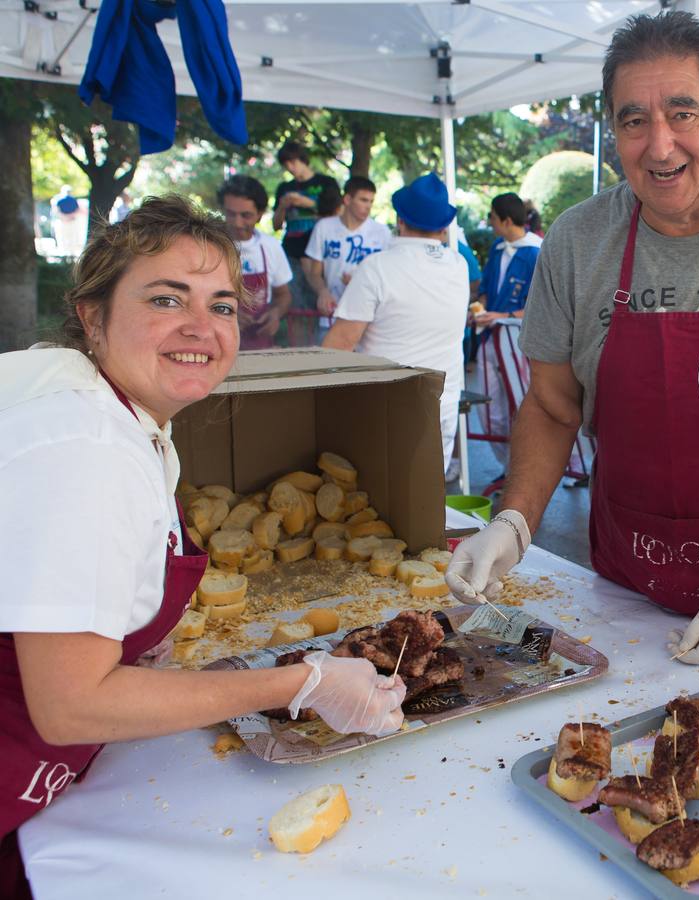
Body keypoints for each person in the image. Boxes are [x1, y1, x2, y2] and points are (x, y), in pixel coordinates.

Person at [0, 196, 407, 898]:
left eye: (222, 306)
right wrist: (304, 681)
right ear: (92, 316)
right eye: (166, 298)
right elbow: (69, 705)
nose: (201, 327)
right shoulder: (84, 446)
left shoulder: (120, 416)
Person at [445, 11, 699, 664]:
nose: (659, 144)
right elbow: (555, 406)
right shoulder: (577, 241)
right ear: (612, 132)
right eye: (633, 120)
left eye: (682, 113)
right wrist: (512, 522)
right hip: (620, 572)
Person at [322, 174, 469, 475]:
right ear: (443, 227)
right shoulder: (459, 265)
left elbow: (340, 344)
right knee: (428, 498)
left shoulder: (376, 267)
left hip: (387, 404)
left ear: (400, 219)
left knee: (381, 502)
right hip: (442, 399)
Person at [474, 192, 543, 472]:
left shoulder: (536, 251)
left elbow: (543, 305)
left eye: (492, 217)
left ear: (505, 220)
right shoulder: (497, 248)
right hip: (490, 338)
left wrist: (503, 316)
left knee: (524, 403)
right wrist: (479, 309)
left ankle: (529, 466)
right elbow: (486, 291)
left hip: (519, 343)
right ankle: (509, 465)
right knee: (490, 408)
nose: (490, 223)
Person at [304, 175, 392, 340]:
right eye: (363, 200)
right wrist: (322, 291)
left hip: (370, 321)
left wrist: (361, 282)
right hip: (332, 315)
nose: (368, 207)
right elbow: (314, 273)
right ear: (347, 199)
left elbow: (389, 276)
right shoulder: (324, 227)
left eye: (371, 202)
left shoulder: (382, 233)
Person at [272, 141, 341, 345]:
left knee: (322, 304)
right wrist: (283, 206)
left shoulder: (326, 183)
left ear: (302, 159)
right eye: (286, 164)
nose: (290, 168)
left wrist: (309, 204)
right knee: (297, 306)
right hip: (292, 253)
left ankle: (325, 346)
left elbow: (338, 213)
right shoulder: (284, 188)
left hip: (321, 253)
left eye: (293, 162)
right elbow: (276, 225)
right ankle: (301, 349)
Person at [217, 175, 293, 350]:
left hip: (259, 345)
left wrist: (276, 313)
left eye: (246, 215)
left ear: (259, 215)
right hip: (217, 345)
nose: (237, 222)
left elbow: (284, 295)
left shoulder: (270, 247)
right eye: (231, 214)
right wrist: (224, 313)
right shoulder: (210, 246)